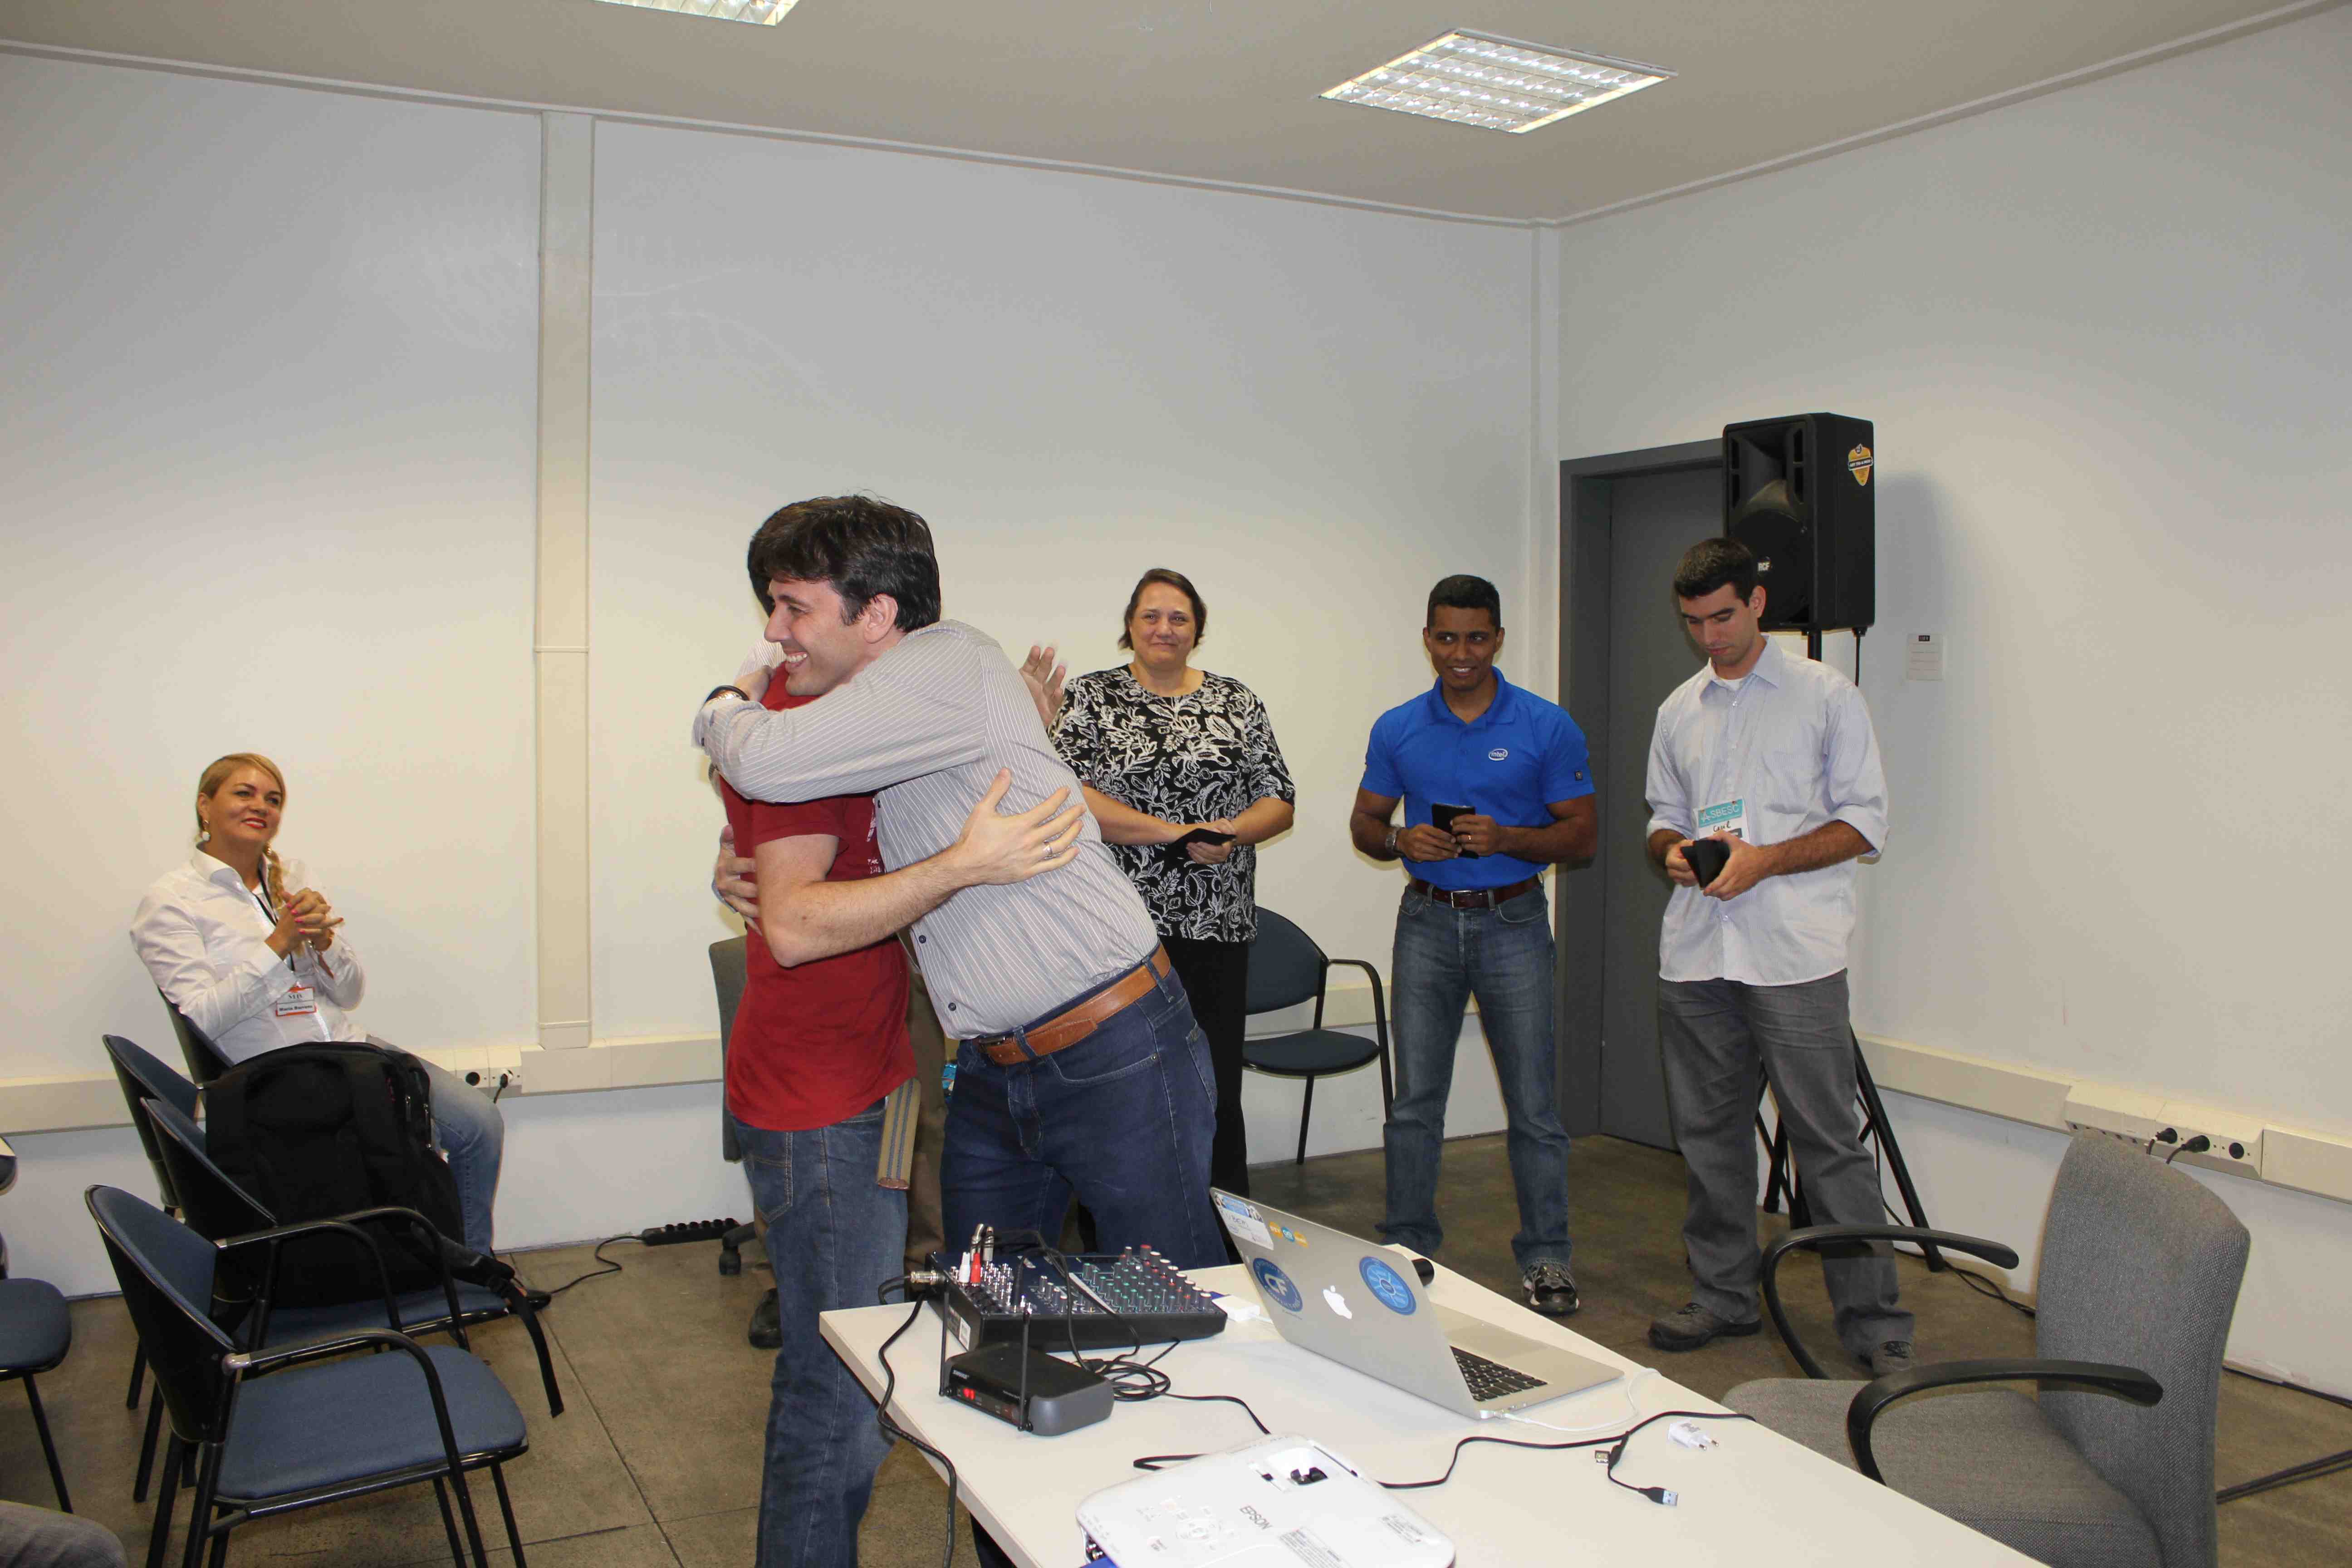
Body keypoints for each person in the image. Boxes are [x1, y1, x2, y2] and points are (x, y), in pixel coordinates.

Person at [693, 496, 1222, 1275]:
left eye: (793, 607)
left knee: (1171, 1290)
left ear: (877, 614)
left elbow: (762, 759)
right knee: (990, 1303)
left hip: (1113, 1046)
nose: (775, 630)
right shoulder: (873, 710)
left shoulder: (944, 662)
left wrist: (725, 700)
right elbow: (813, 812)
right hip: (990, 1064)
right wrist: (738, 858)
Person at [714, 662, 1083, 1568]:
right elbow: (797, 924)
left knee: (853, 1361)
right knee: (837, 1391)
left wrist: (1012, 735)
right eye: (785, 608)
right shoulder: (797, 735)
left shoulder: (862, 733)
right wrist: (966, 863)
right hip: (818, 1102)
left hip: (872, 1077)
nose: (784, 632)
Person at [1642, 536, 1914, 1377]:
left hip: (1794, 956)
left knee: (1828, 1143)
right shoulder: (1678, 710)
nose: (1709, 636)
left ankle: (1874, 1325)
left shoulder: (1825, 697)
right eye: (1693, 622)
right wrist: (1670, 853)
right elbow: (1660, 815)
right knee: (1709, 1139)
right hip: (1697, 955)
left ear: (1756, 603)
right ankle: (1723, 1295)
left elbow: (1863, 823)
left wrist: (1765, 860)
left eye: (1722, 617)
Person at [129, 754, 505, 1254]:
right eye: (244, 793)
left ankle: (472, 1267)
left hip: (349, 1051)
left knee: (479, 1124)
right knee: (405, 1147)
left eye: (273, 799)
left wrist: (325, 941)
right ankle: (430, 1267)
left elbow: (349, 994)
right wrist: (278, 945)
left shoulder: (293, 878)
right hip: (274, 1075)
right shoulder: (172, 901)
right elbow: (202, 1019)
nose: (261, 806)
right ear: (205, 805)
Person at [1348, 575, 1596, 1316]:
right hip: (1425, 921)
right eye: (1447, 637)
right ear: (1428, 639)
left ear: (1498, 639)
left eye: (1477, 637)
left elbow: (1581, 836)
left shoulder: (1545, 725)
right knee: (1414, 1103)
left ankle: (1546, 1256)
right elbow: (1364, 822)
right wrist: (1398, 840)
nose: (1462, 652)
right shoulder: (1398, 727)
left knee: (1533, 1106)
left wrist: (1509, 837)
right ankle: (1405, 1247)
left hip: (1513, 922)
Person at [1028, 568, 1295, 1198]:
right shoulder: (1091, 697)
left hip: (1216, 925)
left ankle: (1222, 1224)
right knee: (1121, 1083)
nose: (1164, 629)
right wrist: (1173, 833)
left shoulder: (1236, 700)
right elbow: (1070, 797)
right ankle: (1119, 1223)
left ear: (1197, 629)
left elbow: (1279, 799)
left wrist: (1231, 832)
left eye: (1179, 618)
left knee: (1213, 1081)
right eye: (1151, 616)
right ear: (1130, 625)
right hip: (1119, 931)